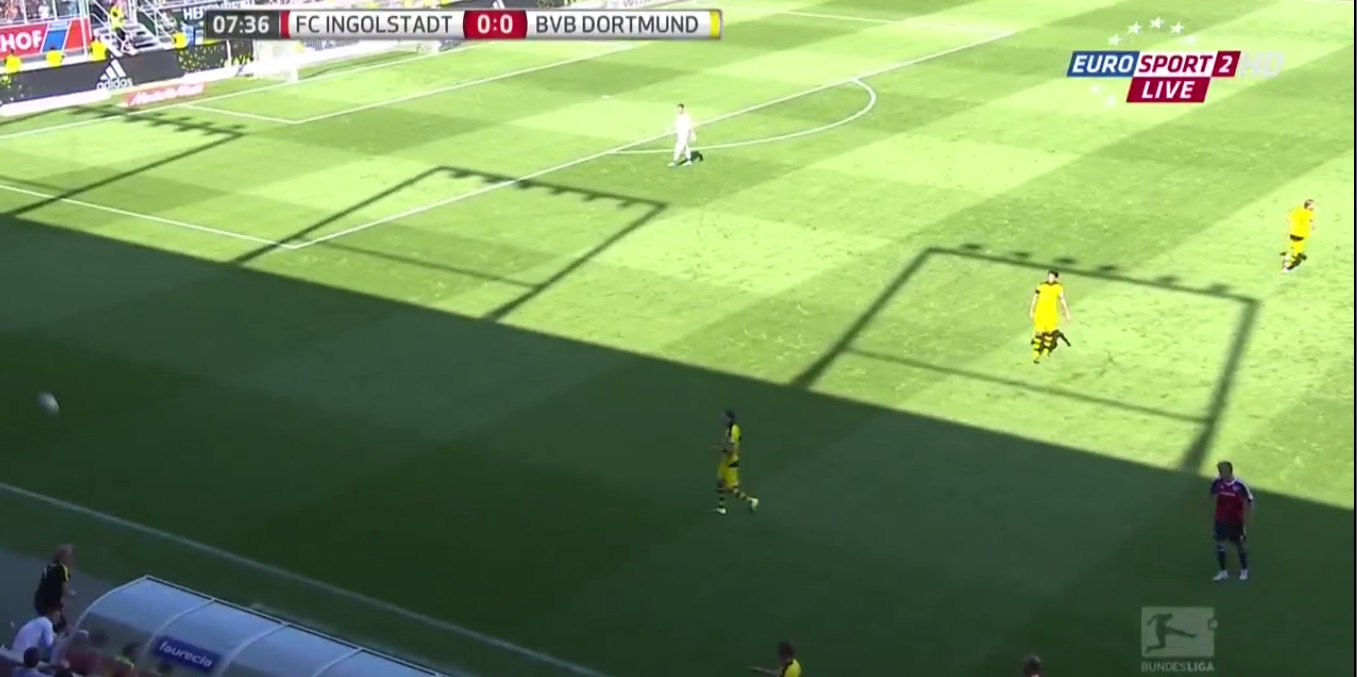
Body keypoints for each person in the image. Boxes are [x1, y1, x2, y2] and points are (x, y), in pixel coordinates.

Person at [1210, 461, 1253, 581]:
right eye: (1219, 471)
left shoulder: (1240, 485)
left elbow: (1250, 499)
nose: (1220, 474)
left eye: (1222, 471)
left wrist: (1248, 517)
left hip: (1236, 521)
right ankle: (1223, 572)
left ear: (1229, 471)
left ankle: (1244, 570)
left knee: (1239, 545)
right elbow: (1212, 493)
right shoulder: (1217, 482)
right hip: (1221, 519)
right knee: (1220, 545)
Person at [715, 409, 758, 515]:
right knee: (720, 481)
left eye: (724, 417)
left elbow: (732, 450)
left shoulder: (732, 431)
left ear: (729, 419)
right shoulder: (730, 429)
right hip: (726, 460)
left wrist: (721, 449)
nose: (722, 419)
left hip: (731, 463)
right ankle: (721, 507)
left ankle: (751, 500)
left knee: (730, 489)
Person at [1028, 270, 1071, 364]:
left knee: (1049, 333)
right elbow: (1035, 298)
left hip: (1051, 313)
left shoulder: (1058, 287)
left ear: (1056, 278)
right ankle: (1036, 353)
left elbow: (1062, 300)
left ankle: (1046, 351)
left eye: (1052, 277)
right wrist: (1031, 310)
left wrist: (1067, 312)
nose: (1050, 278)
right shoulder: (1041, 286)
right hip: (1040, 312)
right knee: (1039, 333)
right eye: (1049, 276)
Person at [34, 545, 75, 621]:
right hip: (51, 602)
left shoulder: (48, 567)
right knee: (59, 622)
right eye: (69, 556)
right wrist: (71, 593)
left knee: (45, 619)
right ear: (63, 558)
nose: (71, 559)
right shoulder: (63, 570)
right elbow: (64, 589)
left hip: (39, 599)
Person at [1281, 199, 1316, 273]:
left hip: (1294, 233)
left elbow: (1288, 219)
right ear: (1308, 206)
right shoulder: (1307, 213)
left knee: (1294, 247)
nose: (1314, 207)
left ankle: (1289, 257)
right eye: (1312, 206)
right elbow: (1309, 219)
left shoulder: (1298, 210)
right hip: (1299, 235)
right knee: (1296, 251)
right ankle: (1287, 267)